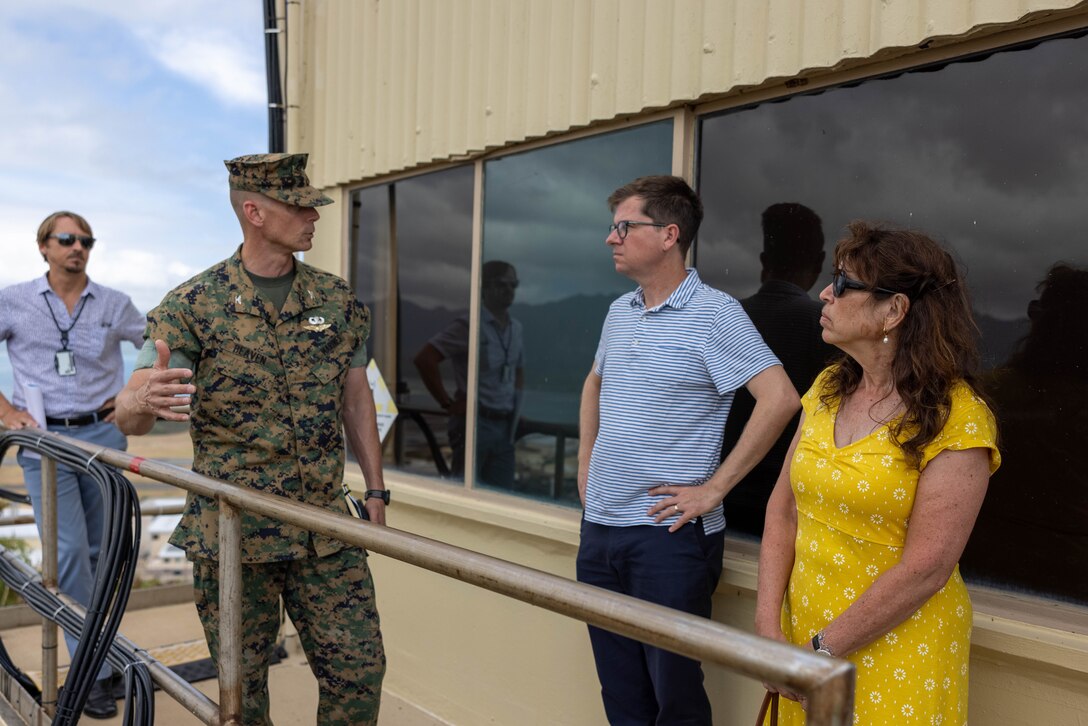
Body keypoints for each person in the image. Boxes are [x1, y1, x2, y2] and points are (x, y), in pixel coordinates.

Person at [114, 153, 387, 725]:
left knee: (358, 673)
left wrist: (377, 492)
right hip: (237, 534)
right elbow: (132, 413)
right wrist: (143, 401)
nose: (314, 215)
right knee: (243, 694)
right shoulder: (192, 305)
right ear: (254, 212)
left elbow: (357, 399)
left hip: (324, 528)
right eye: (299, 205)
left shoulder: (337, 302)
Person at [755, 221, 1001, 724]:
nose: (825, 293)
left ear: (893, 309)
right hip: (804, 643)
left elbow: (927, 568)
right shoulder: (827, 387)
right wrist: (767, 630)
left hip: (897, 651)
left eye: (844, 284)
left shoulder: (958, 417)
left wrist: (819, 654)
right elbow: (783, 511)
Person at [576, 175, 799, 725]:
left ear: (670, 234)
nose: (612, 238)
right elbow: (594, 384)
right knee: (622, 693)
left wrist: (715, 489)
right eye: (612, 227)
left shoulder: (714, 314)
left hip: (668, 538)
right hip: (601, 530)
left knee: (674, 696)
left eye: (625, 227)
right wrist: (586, 474)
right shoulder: (619, 311)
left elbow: (780, 398)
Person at [0, 210, 145, 719]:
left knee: (105, 554)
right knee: (66, 555)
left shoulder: (114, 303)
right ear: (43, 246)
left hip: (104, 435)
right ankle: (96, 672)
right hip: (45, 440)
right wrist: (7, 412)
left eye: (85, 240)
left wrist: (129, 391)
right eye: (66, 239)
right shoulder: (13, 300)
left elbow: (155, 344)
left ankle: (105, 660)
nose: (77, 247)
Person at [961, 263, 1087, 602]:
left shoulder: (986, 395)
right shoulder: (988, 395)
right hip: (1072, 586)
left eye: (1036, 311)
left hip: (980, 570)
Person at [721, 202, 836, 536]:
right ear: (818, 264)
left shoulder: (727, 319)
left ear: (762, 263)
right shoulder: (828, 330)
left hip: (723, 493)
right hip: (795, 503)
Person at [414, 260, 524, 485]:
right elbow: (425, 359)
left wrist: (516, 412)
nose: (509, 290)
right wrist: (447, 404)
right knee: (464, 493)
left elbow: (518, 373)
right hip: (474, 424)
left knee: (503, 499)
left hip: (505, 428)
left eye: (514, 285)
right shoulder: (470, 325)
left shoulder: (516, 329)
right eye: (503, 284)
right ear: (486, 287)